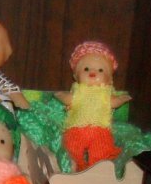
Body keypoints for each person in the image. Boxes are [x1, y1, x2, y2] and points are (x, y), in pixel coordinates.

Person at [55, 41, 131, 171]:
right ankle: (74, 164)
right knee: (72, 147)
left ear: (109, 79)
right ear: (76, 76)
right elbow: (69, 99)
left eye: (100, 70)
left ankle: (98, 167)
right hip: (77, 128)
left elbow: (113, 102)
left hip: (100, 129)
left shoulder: (105, 93)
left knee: (101, 149)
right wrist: (61, 95)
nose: (92, 72)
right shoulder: (79, 91)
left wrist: (121, 99)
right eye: (86, 69)